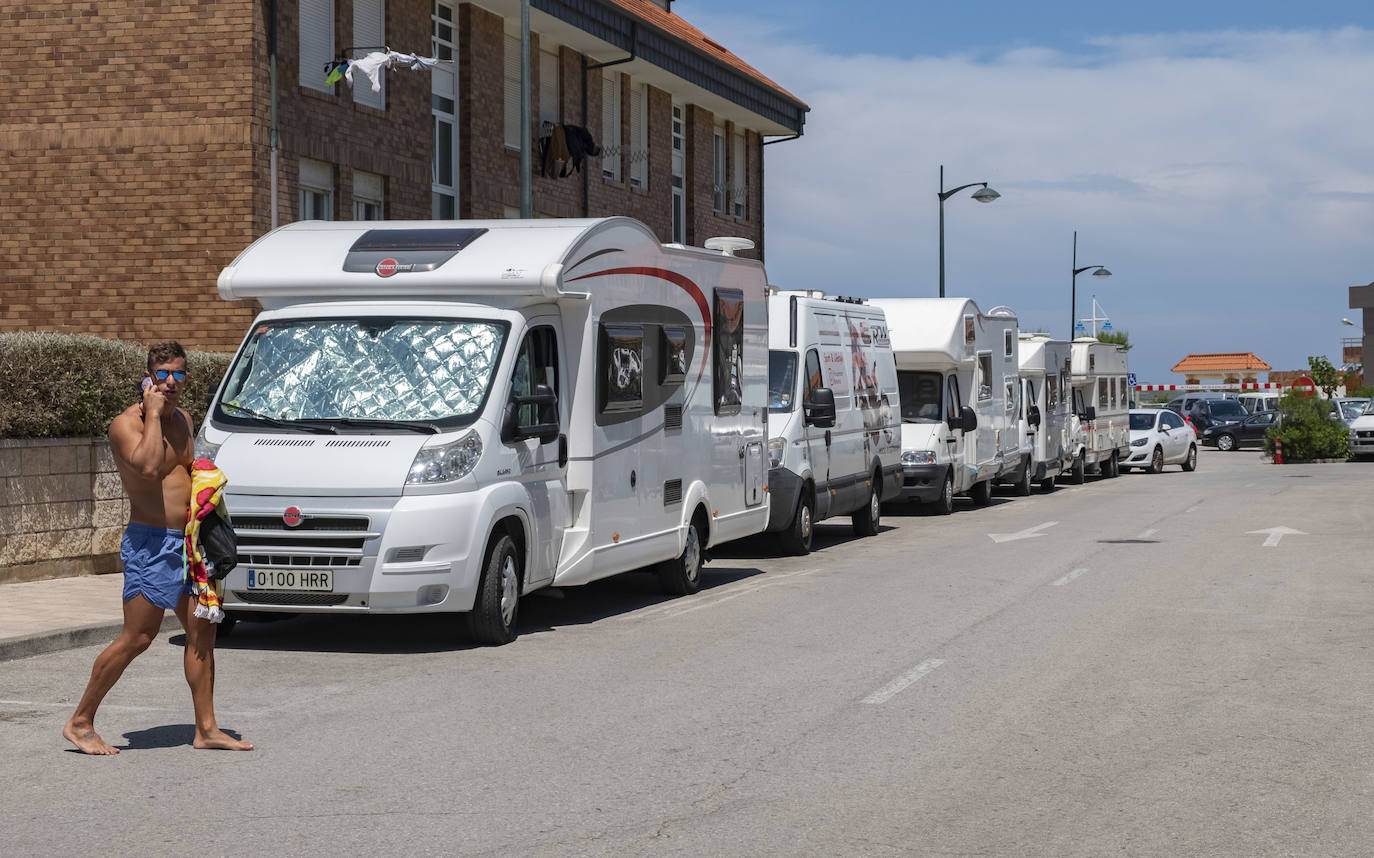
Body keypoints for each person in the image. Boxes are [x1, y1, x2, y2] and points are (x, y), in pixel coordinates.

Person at [62, 342, 253, 754]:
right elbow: (148, 467)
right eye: (162, 373)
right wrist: (151, 414)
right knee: (139, 636)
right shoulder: (126, 424)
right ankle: (80, 722)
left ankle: (205, 729)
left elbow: (187, 471)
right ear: (147, 377)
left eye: (178, 374)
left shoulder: (183, 419)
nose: (170, 382)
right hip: (151, 545)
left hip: (188, 541)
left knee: (203, 631)